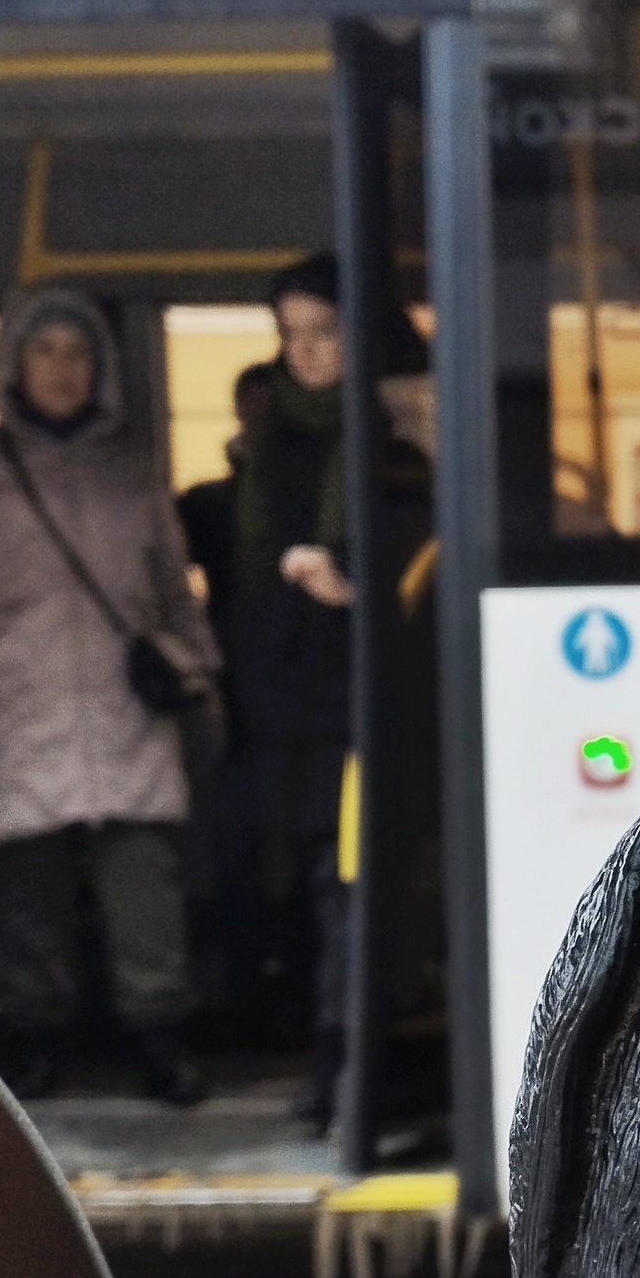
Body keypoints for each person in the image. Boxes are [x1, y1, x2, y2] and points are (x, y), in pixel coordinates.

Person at [0, 285, 219, 1104]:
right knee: (25, 886)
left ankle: (160, 1037)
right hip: (18, 706)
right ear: (14, 363)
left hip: (126, 709)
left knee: (145, 880)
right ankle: (32, 1040)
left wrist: (199, 675)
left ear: (100, 365)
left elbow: (173, 592)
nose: (61, 367)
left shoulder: (131, 470)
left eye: (76, 351)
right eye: (43, 350)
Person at [222, 254, 430, 1132]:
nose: (305, 352)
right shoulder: (264, 447)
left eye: (325, 332)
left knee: (355, 882)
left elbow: (430, 565)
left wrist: (354, 587)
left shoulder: (401, 445)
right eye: (291, 335)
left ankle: (349, 1058)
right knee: (308, 881)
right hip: (283, 700)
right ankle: (331, 1049)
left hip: (373, 693)